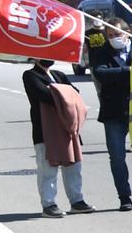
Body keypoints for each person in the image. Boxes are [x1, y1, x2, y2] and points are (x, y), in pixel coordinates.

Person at [23, 58, 89, 215]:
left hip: (67, 127)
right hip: (45, 129)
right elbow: (45, 95)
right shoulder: (30, 75)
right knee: (48, 169)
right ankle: (49, 204)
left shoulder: (59, 74)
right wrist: (65, 93)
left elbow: (76, 93)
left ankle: (77, 201)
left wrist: (60, 92)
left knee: (73, 166)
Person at [87, 24, 132, 211]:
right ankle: (124, 196)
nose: (115, 37)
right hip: (114, 112)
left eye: (118, 33)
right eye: (110, 35)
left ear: (127, 33)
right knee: (116, 157)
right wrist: (128, 71)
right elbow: (100, 73)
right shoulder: (102, 52)